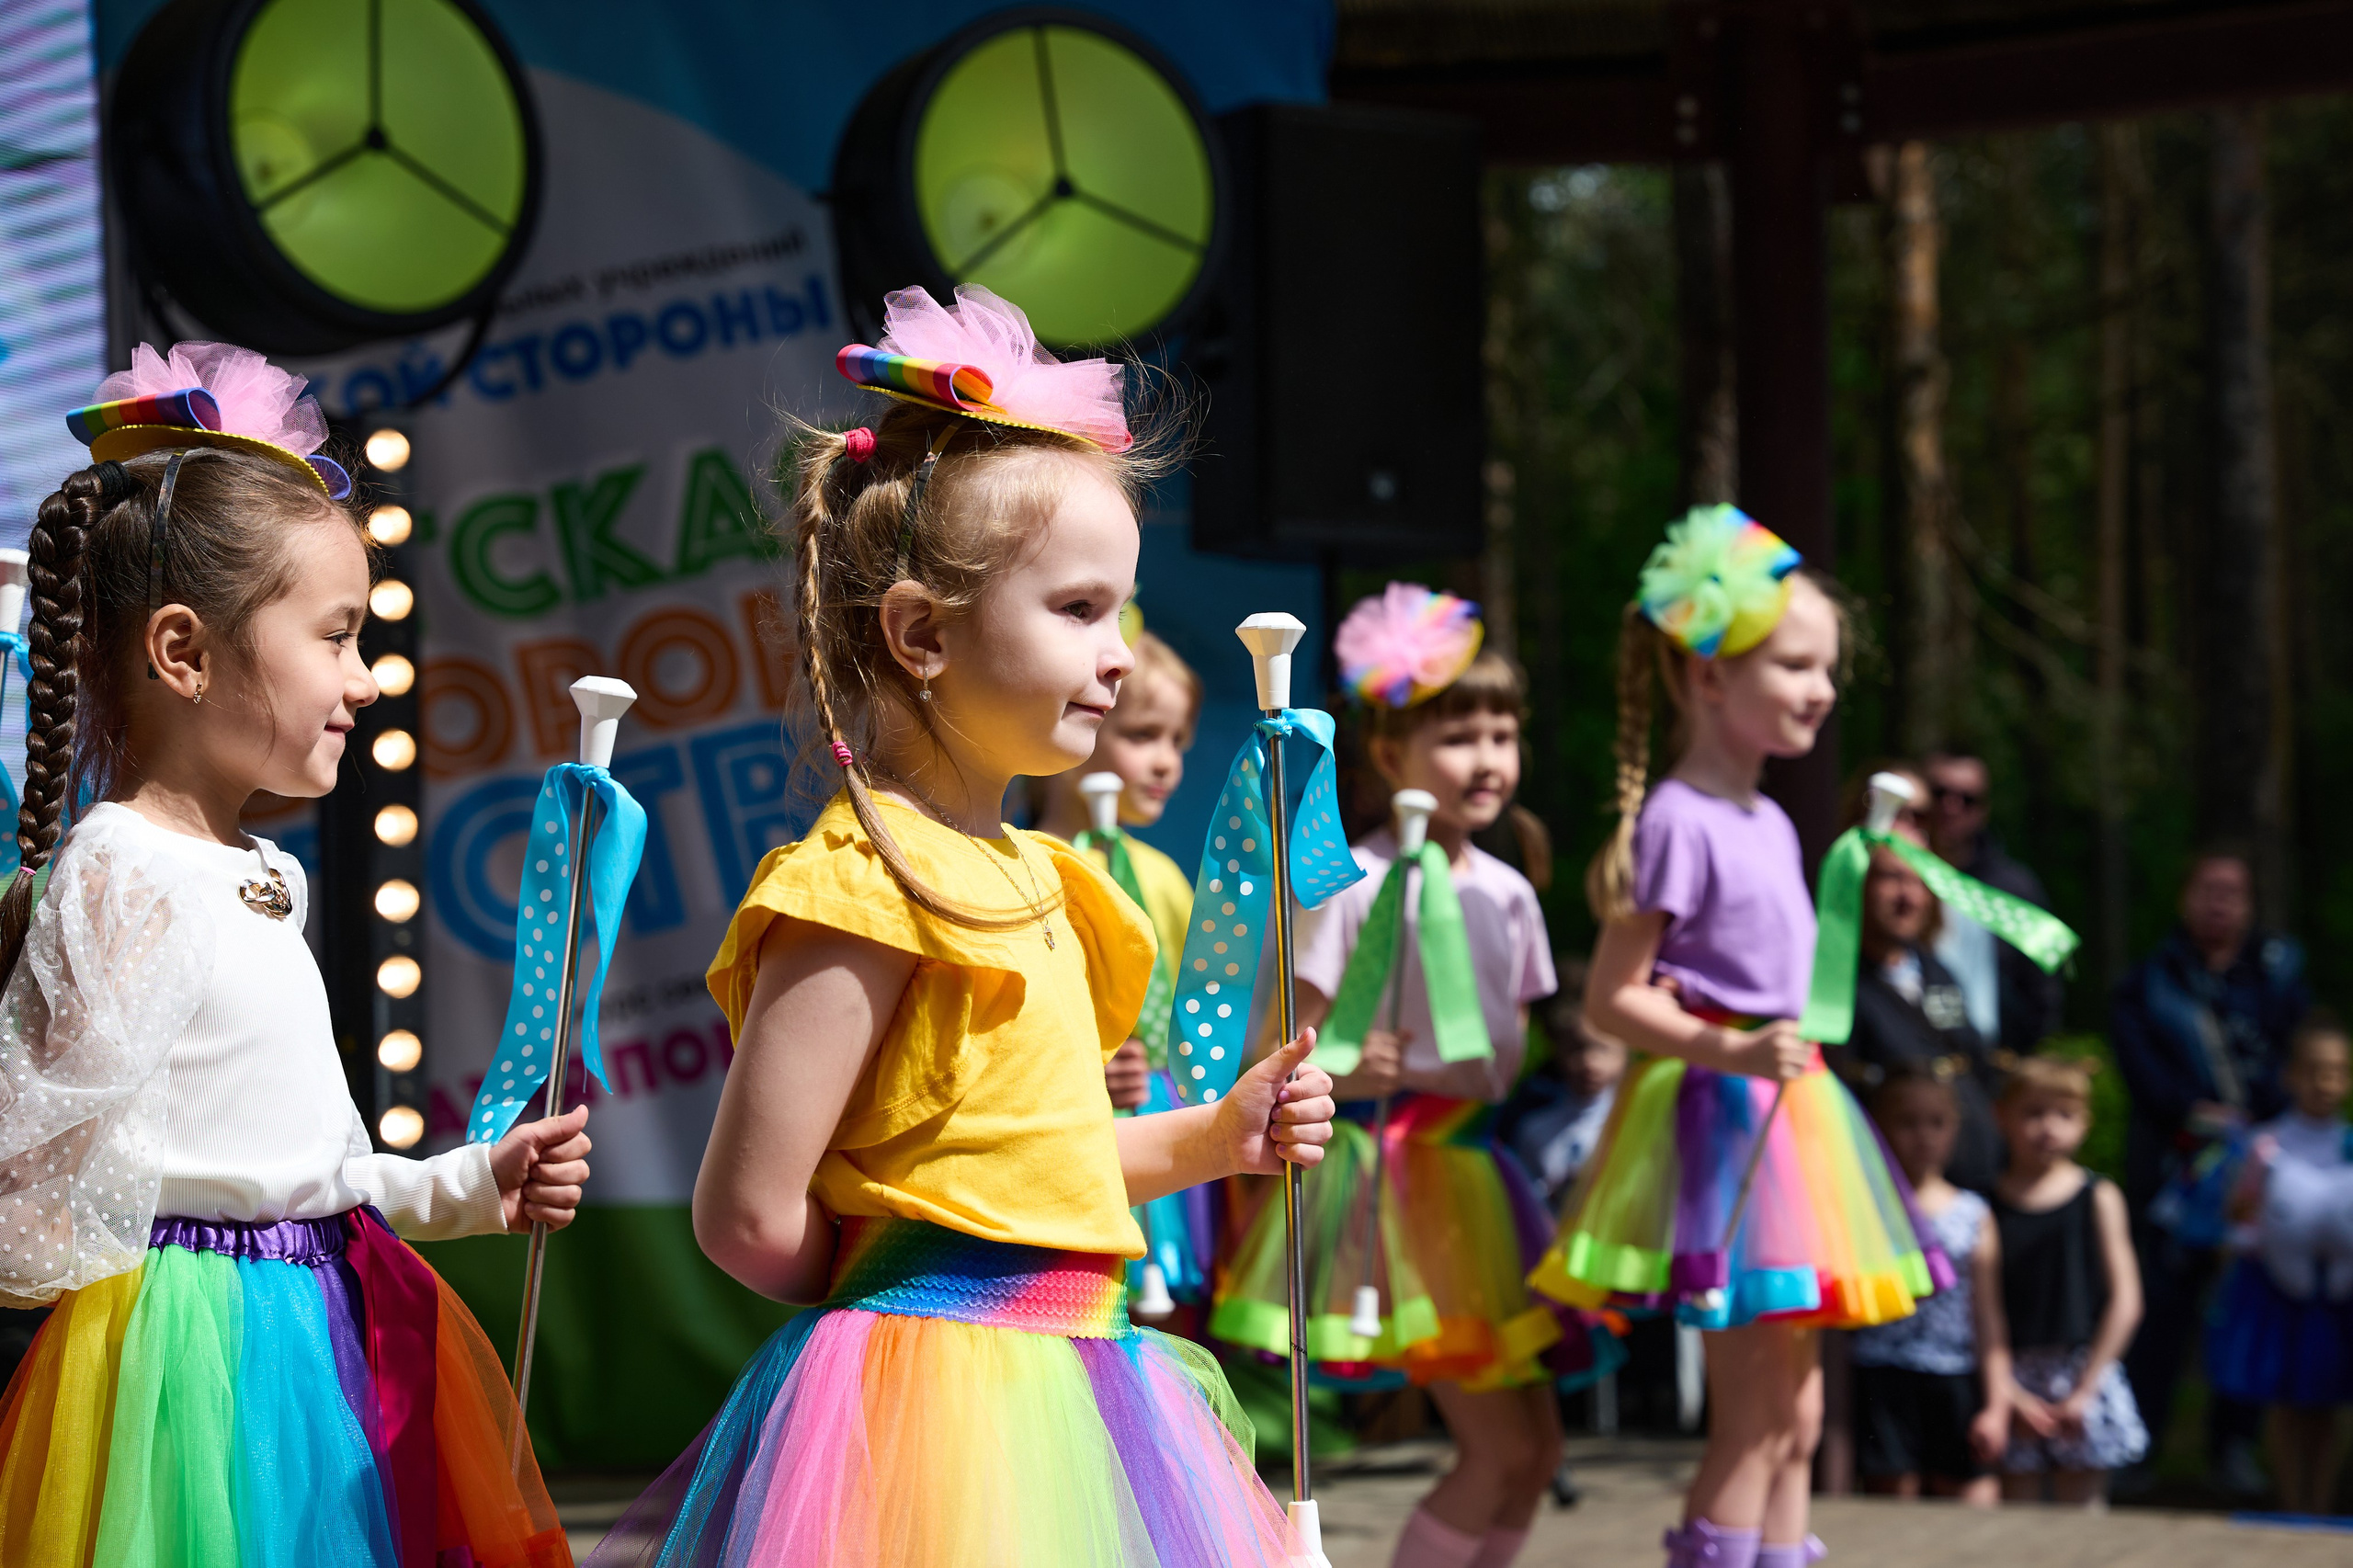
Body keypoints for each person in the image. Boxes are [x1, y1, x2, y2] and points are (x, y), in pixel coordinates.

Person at [586, 285, 1336, 1566]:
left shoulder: (1051, 876)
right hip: (921, 1401)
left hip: (1089, 1377)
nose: (1116, 655)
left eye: (1119, 609)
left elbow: (1039, 1164)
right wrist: (906, 1306)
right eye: (1078, 611)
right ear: (923, 634)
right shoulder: (864, 885)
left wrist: (1221, 1134)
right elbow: (749, 1210)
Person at [0, 343, 588, 1562]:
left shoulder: (271, 874)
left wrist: (472, 1182)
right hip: (187, 1366)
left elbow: (307, 1170)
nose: (366, 678)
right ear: (182, 651)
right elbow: (34, 1189)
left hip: (311, 1331)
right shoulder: (124, 868)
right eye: (334, 636)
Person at [1530, 506, 1944, 1568]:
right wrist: (1730, 1049)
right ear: (1709, 677)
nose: (1822, 687)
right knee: (1751, 1418)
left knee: (1796, 1416)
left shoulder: (1768, 817)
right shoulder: (1677, 817)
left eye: (1828, 668)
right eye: (1797, 664)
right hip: (1727, 1126)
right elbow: (1614, 1000)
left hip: (1790, 1118)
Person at [1211, 584, 1568, 1568]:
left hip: (1480, 1175)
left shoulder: (1509, 890)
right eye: (1459, 736)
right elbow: (1277, 1048)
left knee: (1535, 1451)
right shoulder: (1354, 881)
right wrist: (1346, 1068)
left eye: (1502, 733)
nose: (1487, 757)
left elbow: (1505, 1055)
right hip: (1405, 1185)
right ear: (1388, 755)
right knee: (1497, 1445)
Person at [1029, 628, 1213, 1322]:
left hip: (1163, 1124)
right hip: (1068, 1134)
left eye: (1178, 742)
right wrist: (1086, 1072)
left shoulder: (1162, 878)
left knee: (1175, 1326)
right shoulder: (1024, 866)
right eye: (1144, 734)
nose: (1165, 762)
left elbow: (1197, 1018)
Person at [2110, 848, 2305, 1494]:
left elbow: (2295, 1063)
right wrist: (2193, 1113)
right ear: (2184, 897)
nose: (2219, 903)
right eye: (2208, 889)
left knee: (2244, 1311)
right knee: (2161, 1314)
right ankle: (2138, 1451)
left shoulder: (2276, 978)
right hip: (2173, 1175)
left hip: (2254, 1177)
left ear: (2249, 905)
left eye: (2233, 892)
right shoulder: (2149, 980)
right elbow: (2141, 1068)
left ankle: (2234, 1451)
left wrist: (2255, 1123)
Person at [2204, 1015, 2353, 1516]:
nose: (2323, 1082)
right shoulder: (2265, 1145)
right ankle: (2292, 1505)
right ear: (2290, 1075)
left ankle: (2322, 1502)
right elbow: (2239, 1212)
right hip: (2278, 1290)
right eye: (2312, 1070)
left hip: (2339, 1296)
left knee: (2329, 1403)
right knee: (2285, 1402)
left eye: (2335, 1071)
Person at [1827, 776, 2004, 1195]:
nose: (1907, 896)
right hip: (1884, 1198)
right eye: (1890, 878)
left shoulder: (1936, 970)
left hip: (1970, 1190)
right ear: (1856, 884)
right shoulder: (1832, 984)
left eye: (1917, 880)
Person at [1849, 1072, 2010, 1506]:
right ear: (1878, 1128)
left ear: (1954, 1130)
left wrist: (1996, 1404)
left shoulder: (1973, 1213)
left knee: (1973, 1497)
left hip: (1953, 1374)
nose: (1923, 1136)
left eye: (1936, 1122)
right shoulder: (1861, 1210)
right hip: (1882, 1376)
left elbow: (1988, 1316)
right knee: (1892, 1500)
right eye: (1907, 1122)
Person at [1992, 1056, 2147, 1504]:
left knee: (2082, 1522)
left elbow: (2126, 1299)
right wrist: (2008, 1390)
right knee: (2014, 1521)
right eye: (2033, 1113)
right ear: (2001, 1116)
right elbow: (1981, 1308)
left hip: (2083, 1371)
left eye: (2064, 1114)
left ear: (2085, 1122)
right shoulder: (1984, 1204)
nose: (2048, 1128)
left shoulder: (2098, 1197)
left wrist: (2086, 1388)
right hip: (2012, 1378)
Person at [1922, 752, 2063, 1055]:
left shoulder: (2014, 888)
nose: (1951, 806)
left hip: (1994, 1063)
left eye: (1967, 799)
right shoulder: (1900, 877)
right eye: (1940, 793)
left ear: (1984, 810)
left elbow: (2043, 993)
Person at [1502, 958, 1630, 1212]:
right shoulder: (1533, 1127)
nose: (1589, 1063)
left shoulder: (1638, 1122)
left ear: (1626, 1049)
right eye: (1575, 1050)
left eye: (1602, 1049)